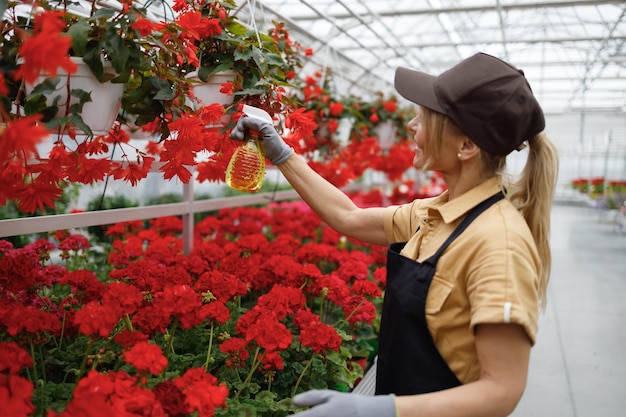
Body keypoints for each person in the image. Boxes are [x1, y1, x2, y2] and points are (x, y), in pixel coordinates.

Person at [230, 52, 559, 417]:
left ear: (466, 146)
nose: (412, 126)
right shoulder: (431, 214)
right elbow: (349, 217)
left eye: (427, 118)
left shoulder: (499, 245)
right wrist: (281, 153)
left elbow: (502, 391)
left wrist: (378, 411)